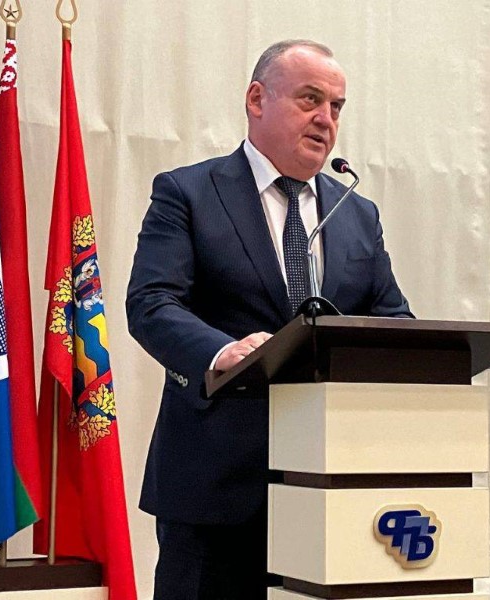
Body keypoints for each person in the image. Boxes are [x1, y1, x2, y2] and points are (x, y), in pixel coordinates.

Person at [126, 39, 413, 600]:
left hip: (332, 485)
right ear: (257, 99)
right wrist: (221, 352)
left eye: (336, 107)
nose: (326, 119)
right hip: (215, 483)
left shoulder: (355, 212)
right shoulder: (189, 192)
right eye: (310, 99)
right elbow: (152, 303)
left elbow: (393, 319)